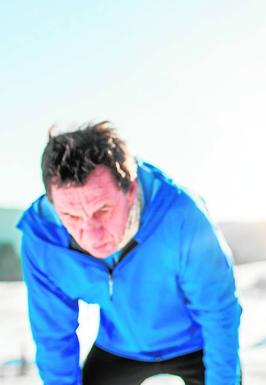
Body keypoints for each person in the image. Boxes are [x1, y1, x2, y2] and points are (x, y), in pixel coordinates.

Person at [18, 122, 242, 385]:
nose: (91, 235)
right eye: (70, 215)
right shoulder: (42, 240)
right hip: (117, 347)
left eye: (103, 210)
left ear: (131, 190)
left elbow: (218, 310)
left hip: (195, 343)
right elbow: (53, 336)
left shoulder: (181, 215)